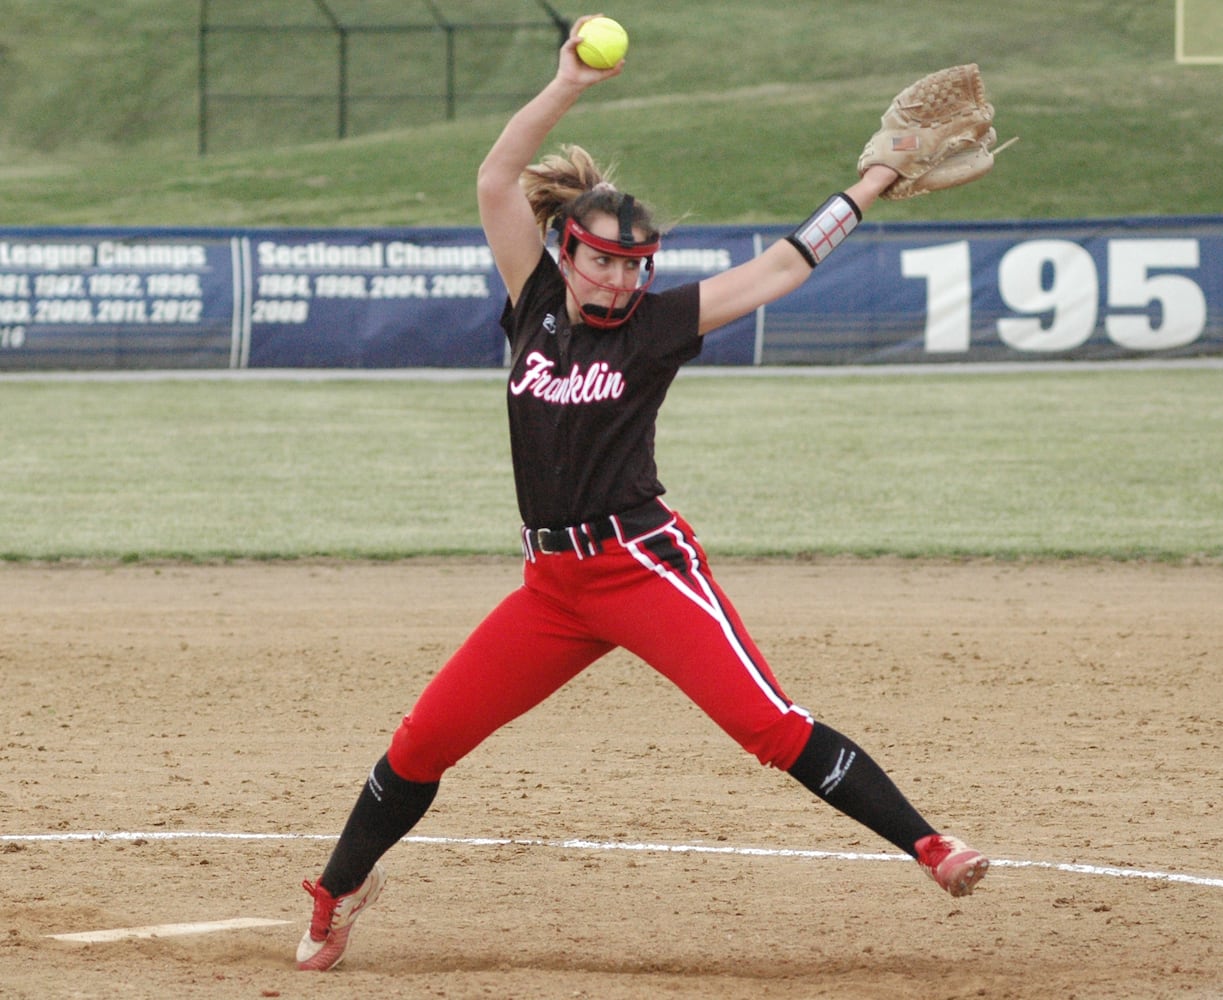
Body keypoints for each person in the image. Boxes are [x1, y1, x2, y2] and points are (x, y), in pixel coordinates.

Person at [295, 15, 989, 973]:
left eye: (632, 263)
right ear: (566, 250)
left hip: (642, 567)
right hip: (551, 589)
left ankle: (930, 846)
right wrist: (567, 84)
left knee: (768, 727)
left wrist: (871, 181)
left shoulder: (658, 326)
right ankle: (338, 889)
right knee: (424, 741)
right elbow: (498, 178)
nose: (618, 276)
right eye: (602, 259)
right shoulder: (533, 297)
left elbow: (784, 264)